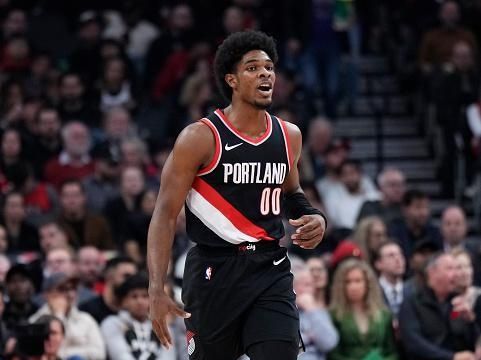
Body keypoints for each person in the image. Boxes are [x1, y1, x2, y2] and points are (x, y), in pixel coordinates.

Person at [147, 31, 327, 360]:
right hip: (214, 271)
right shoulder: (200, 137)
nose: (265, 74)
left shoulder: (289, 136)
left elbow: (291, 191)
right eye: (253, 68)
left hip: (270, 268)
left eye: (269, 67)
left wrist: (313, 216)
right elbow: (164, 214)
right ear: (231, 79)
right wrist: (156, 287)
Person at [399, 252, 478, 360]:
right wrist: (451, 357)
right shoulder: (412, 302)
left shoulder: (456, 301)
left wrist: (470, 322)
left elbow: (470, 342)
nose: (456, 274)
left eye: (456, 269)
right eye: (450, 269)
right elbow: (414, 343)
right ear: (432, 273)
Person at [328, 259, 398, 360]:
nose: (353, 286)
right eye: (347, 282)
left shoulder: (384, 315)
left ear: (368, 283)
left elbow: (392, 352)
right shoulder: (333, 315)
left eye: (358, 281)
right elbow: (333, 354)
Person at [29, 272, 106, 360]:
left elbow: (99, 353)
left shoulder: (86, 319)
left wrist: (63, 354)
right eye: (62, 289)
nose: (69, 294)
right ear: (47, 294)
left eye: (72, 289)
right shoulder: (35, 321)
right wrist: (59, 315)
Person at [101, 273, 178, 360]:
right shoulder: (112, 323)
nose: (140, 301)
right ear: (123, 301)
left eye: (145, 296)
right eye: (134, 296)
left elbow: (168, 357)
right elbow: (120, 355)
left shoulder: (163, 326)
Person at [293, 267, 338, 360]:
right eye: (297, 284)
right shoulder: (282, 312)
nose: (301, 289)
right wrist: (309, 337)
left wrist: (311, 309)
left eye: (307, 285)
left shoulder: (319, 313)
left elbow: (329, 343)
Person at [79, 256, 137, 324]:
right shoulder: (87, 311)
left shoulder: (138, 313)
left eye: (134, 277)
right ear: (109, 276)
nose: (132, 281)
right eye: (126, 276)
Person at [373, 241, 407, 318]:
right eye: (391, 256)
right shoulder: (372, 291)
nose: (398, 259)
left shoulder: (413, 291)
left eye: (400, 254)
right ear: (378, 264)